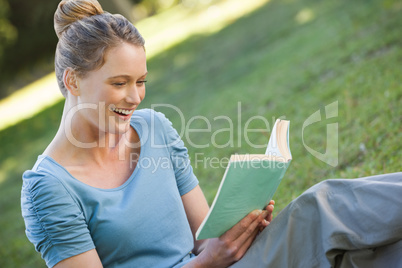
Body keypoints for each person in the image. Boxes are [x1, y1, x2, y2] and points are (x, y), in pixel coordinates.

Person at [21, 0, 274, 267]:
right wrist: (209, 262)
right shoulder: (49, 188)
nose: (135, 97)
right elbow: (209, 258)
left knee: (319, 202)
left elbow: (203, 239)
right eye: (119, 83)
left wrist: (240, 232)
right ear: (72, 81)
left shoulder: (154, 128)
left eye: (141, 81)